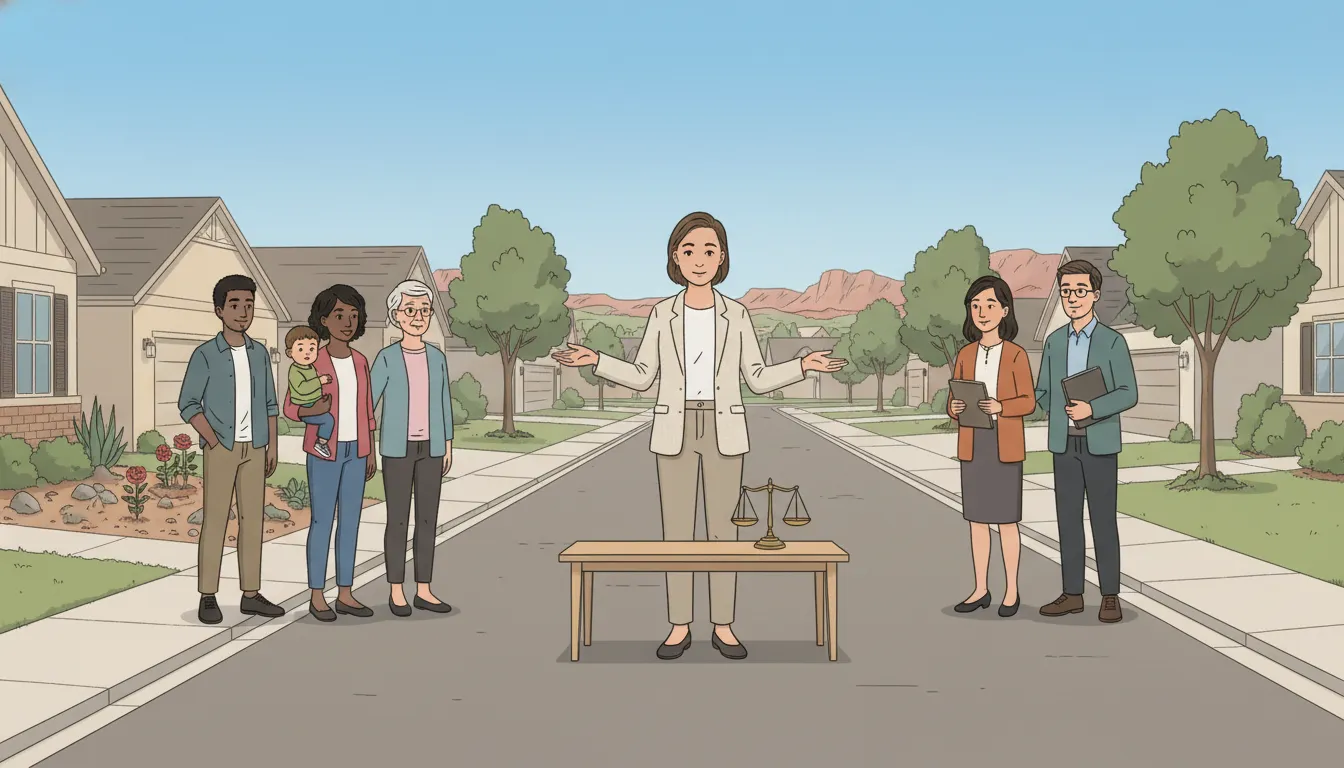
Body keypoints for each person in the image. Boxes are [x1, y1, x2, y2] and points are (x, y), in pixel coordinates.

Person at [553, 212, 845, 660]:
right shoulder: (661, 314)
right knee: (677, 532)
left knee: (726, 530)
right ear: (675, 257)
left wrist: (802, 365)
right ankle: (679, 625)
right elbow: (643, 375)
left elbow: (758, 377)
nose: (699, 259)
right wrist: (597, 359)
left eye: (709, 250)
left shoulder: (738, 315)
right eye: (689, 251)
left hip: (725, 427)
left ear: (723, 257)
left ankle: (723, 625)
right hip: (674, 427)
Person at [1034, 259, 1138, 623]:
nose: (1072, 298)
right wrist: (1058, 412)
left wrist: (1090, 409)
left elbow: (1128, 392)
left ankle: (1110, 595)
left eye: (1080, 291)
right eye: (1066, 292)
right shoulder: (1054, 342)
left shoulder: (1113, 341)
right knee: (1068, 521)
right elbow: (1043, 390)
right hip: (1065, 445)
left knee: (1103, 520)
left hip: (1099, 443)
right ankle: (1072, 593)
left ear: (1095, 295)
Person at [178, 275, 284, 625]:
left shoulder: (258, 354)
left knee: (253, 521)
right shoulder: (206, 354)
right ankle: (208, 594)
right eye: (235, 305)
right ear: (220, 310)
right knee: (216, 519)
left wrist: (271, 445)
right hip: (221, 448)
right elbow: (188, 403)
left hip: (255, 447)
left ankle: (250, 594)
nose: (243, 312)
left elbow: (270, 404)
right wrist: (210, 438)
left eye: (249, 305)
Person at [282, 284, 378, 622]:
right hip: (324, 453)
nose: (347, 322)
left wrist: (370, 451)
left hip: (357, 450)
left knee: (351, 521)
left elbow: (367, 410)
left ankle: (346, 593)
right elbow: (290, 408)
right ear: (323, 319)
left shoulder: (362, 361)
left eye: (353, 316)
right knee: (323, 521)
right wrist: (313, 411)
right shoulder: (312, 359)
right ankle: (317, 594)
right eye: (339, 315)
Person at [948, 276, 1036, 618]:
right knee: (976, 521)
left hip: (1004, 444)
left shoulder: (1015, 355)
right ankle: (980, 588)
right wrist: (953, 409)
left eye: (989, 305)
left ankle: (1011, 590)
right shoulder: (965, 354)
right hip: (973, 442)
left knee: (1007, 521)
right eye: (975, 306)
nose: (982, 312)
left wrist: (1002, 407)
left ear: (1004, 310)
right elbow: (955, 397)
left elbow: (1028, 401)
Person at [371, 280, 454, 617]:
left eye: (424, 310)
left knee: (427, 519)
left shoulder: (436, 357)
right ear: (396, 316)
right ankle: (395, 589)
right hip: (398, 448)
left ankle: (424, 588)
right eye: (410, 310)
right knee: (398, 520)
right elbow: (369, 403)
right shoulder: (387, 358)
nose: (418, 317)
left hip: (431, 447)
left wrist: (447, 442)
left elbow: (443, 401)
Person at [285, 326, 334, 459]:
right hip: (306, 405)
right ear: (290, 353)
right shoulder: (295, 370)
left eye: (311, 349)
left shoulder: (310, 367)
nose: (307, 353)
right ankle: (321, 443)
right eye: (301, 349)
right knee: (328, 420)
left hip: (313, 402)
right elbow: (301, 388)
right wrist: (320, 381)